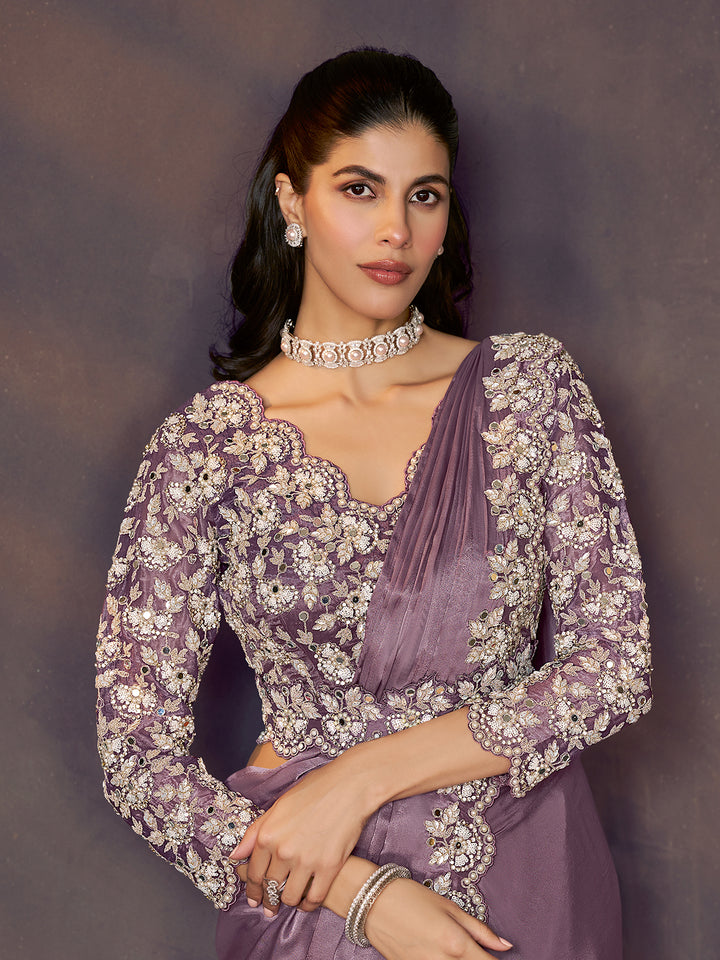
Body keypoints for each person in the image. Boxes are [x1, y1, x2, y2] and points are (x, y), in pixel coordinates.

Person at [95, 48, 652, 960]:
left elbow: (614, 666)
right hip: (312, 890)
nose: (395, 229)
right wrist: (362, 893)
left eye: (423, 195)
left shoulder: (527, 391)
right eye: (360, 189)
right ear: (291, 203)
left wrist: (358, 779)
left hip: (529, 874)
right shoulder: (205, 450)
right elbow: (137, 760)